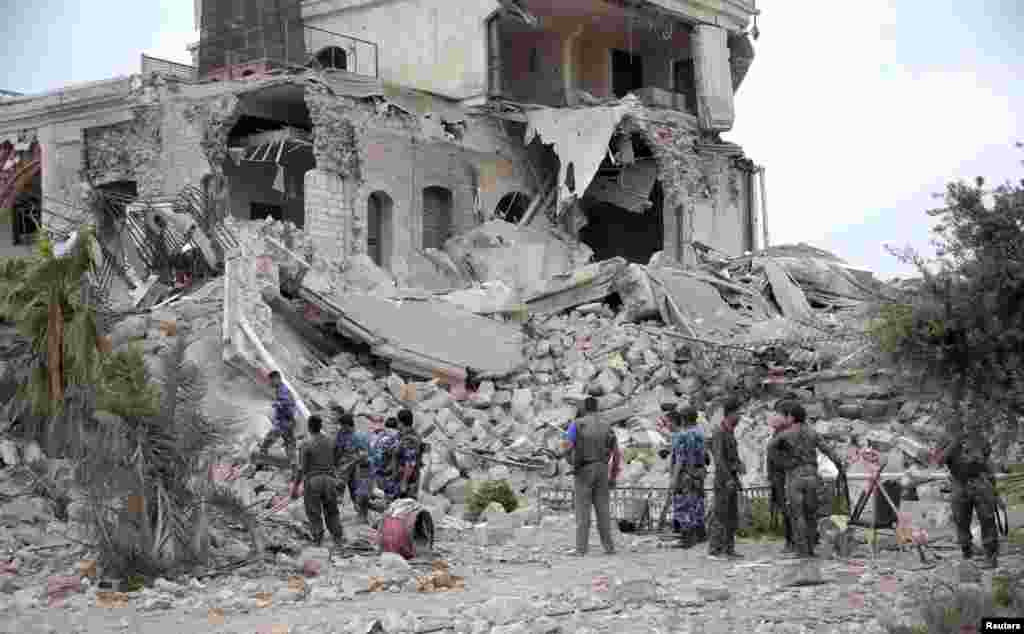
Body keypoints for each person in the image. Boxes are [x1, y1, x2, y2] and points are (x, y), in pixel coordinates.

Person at [767, 402, 843, 558]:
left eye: (787, 416)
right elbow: (828, 450)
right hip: (812, 476)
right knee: (810, 515)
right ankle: (810, 549)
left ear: (792, 417)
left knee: (797, 515)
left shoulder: (786, 434)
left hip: (795, 477)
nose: (786, 419)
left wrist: (783, 463)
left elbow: (770, 448)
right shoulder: (813, 433)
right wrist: (839, 466)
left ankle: (801, 550)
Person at [936, 420, 1000, 568]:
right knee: (961, 520)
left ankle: (991, 557)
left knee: (987, 520)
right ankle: (967, 555)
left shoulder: (979, 437)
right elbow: (938, 461)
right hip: (959, 483)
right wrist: (954, 443)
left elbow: (985, 459)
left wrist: (994, 489)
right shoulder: (945, 439)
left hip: (980, 482)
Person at [563, 396, 621, 556]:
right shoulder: (607, 425)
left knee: (583, 511)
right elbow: (617, 454)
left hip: (583, 470)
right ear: (597, 408)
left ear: (584, 408)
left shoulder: (577, 424)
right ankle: (609, 547)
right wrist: (613, 476)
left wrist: (570, 460)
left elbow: (567, 445)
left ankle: (581, 549)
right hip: (602, 469)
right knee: (603, 510)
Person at [293, 415, 344, 547]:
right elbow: (337, 460)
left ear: (309, 427)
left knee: (313, 512)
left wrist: (295, 488)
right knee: (332, 511)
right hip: (330, 481)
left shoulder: (306, 444)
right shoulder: (330, 441)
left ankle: (318, 540)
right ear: (321, 427)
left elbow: (302, 469)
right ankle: (337, 539)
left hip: (313, 481)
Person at [708, 397, 745, 560]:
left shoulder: (729, 432)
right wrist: (728, 478)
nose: (741, 417)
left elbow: (730, 457)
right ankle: (715, 549)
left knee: (732, 515)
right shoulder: (719, 432)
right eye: (739, 413)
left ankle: (729, 548)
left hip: (731, 477)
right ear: (731, 413)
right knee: (720, 514)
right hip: (724, 480)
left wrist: (739, 464)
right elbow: (718, 458)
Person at [670, 406, 708, 549]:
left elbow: (680, 458)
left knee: (683, 504)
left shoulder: (683, 435)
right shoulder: (700, 433)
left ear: (684, 419)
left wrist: (674, 479)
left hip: (686, 474)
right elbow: (704, 455)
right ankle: (700, 534)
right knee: (697, 502)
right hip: (699, 472)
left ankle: (686, 538)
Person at [767, 400, 797, 553]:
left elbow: (786, 456)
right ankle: (791, 540)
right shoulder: (779, 432)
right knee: (785, 508)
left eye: (777, 413)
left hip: (783, 476)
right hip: (777, 476)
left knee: (788, 509)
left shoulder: (786, 434)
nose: (774, 416)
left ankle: (791, 542)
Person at [333, 409, 371, 523]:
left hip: (356, 469)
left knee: (356, 492)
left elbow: (365, 454)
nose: (341, 428)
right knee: (337, 491)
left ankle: (362, 517)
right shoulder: (341, 433)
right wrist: (334, 463)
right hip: (343, 468)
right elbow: (337, 449)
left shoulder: (360, 436)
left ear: (348, 425)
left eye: (343, 426)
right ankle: (334, 517)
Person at [258, 370, 297, 467]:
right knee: (290, 445)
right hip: (288, 423)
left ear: (277, 379)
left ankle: (260, 465)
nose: (269, 383)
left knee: (266, 443)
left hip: (283, 423)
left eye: (271, 380)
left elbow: (286, 403)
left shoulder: (282, 390)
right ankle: (295, 467)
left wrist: (276, 404)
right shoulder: (282, 389)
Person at [395, 409, 425, 499]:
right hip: (403, 478)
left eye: (398, 421)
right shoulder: (403, 435)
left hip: (407, 482)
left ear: (401, 422)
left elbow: (410, 462)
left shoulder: (410, 438)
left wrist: (404, 484)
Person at [370, 417, 401, 502]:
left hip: (377, 468)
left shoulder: (379, 435)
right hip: (388, 470)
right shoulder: (397, 437)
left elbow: (372, 448)